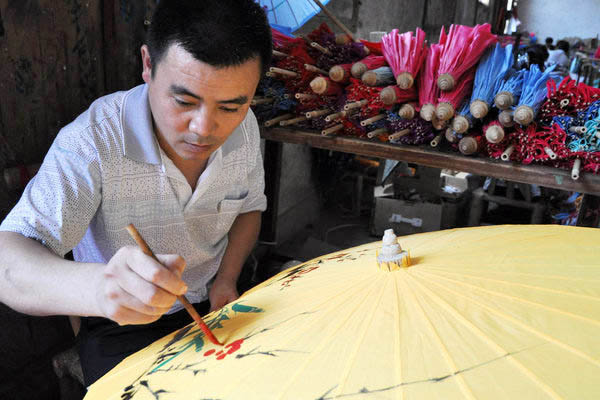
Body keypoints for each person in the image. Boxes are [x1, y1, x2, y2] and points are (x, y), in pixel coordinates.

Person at [0, 0, 272, 387]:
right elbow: (8, 261)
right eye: (184, 101)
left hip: (214, 304)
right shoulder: (94, 140)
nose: (204, 128)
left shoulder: (245, 129)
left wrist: (227, 279)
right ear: (148, 64)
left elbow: (249, 209)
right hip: (120, 324)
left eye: (231, 105)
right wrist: (100, 288)